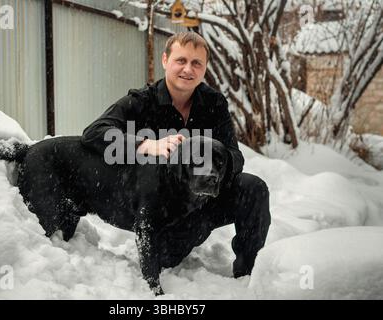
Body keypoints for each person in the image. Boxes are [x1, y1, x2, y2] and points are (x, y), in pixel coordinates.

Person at [81, 32, 270, 293]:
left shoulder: (214, 103)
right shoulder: (141, 102)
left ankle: (248, 277)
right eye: (181, 60)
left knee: (253, 187)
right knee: (168, 257)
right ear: (165, 60)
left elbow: (235, 156)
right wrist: (147, 145)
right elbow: (94, 132)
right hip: (162, 210)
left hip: (203, 202)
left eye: (197, 63)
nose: (188, 69)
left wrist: (212, 163)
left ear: (204, 68)